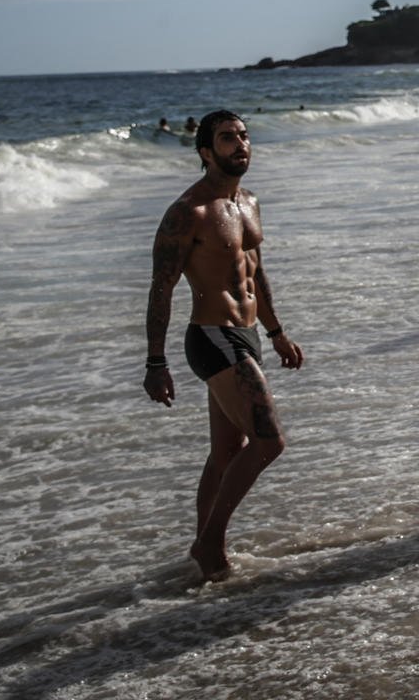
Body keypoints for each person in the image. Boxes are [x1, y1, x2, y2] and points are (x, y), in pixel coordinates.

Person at [143, 112, 305, 582]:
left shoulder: (249, 203)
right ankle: (209, 542)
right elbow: (161, 288)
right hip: (213, 336)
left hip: (248, 336)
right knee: (269, 441)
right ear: (205, 152)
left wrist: (276, 333)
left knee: (227, 452)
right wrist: (156, 362)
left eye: (244, 136)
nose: (240, 144)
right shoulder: (188, 213)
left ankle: (207, 555)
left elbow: (255, 272)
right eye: (227, 138)